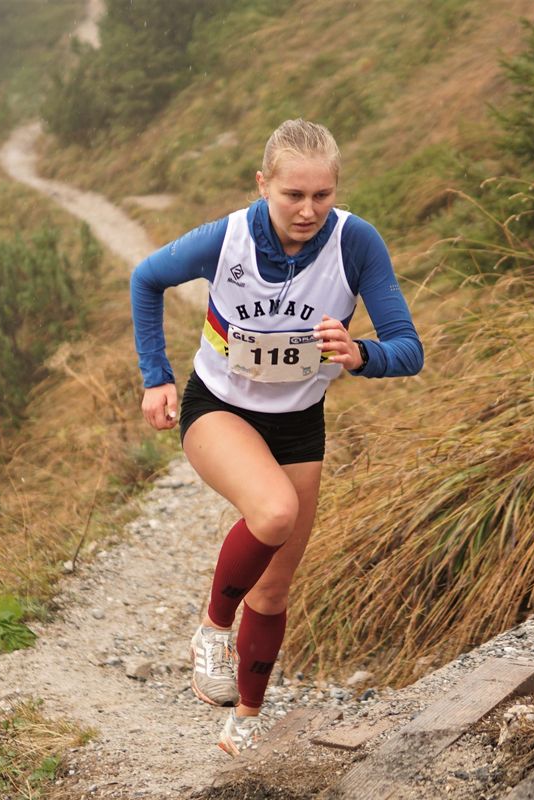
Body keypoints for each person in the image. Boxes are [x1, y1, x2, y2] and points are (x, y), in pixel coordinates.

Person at [130, 118, 423, 756]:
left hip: (299, 424)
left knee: (273, 588)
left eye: (322, 195)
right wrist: (156, 377)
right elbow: (146, 278)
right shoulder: (226, 237)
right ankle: (212, 630)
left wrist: (361, 353)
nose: (308, 210)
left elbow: (409, 349)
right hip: (218, 408)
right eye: (293, 195)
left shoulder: (356, 242)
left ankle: (245, 722)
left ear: (336, 190)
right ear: (263, 184)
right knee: (273, 512)